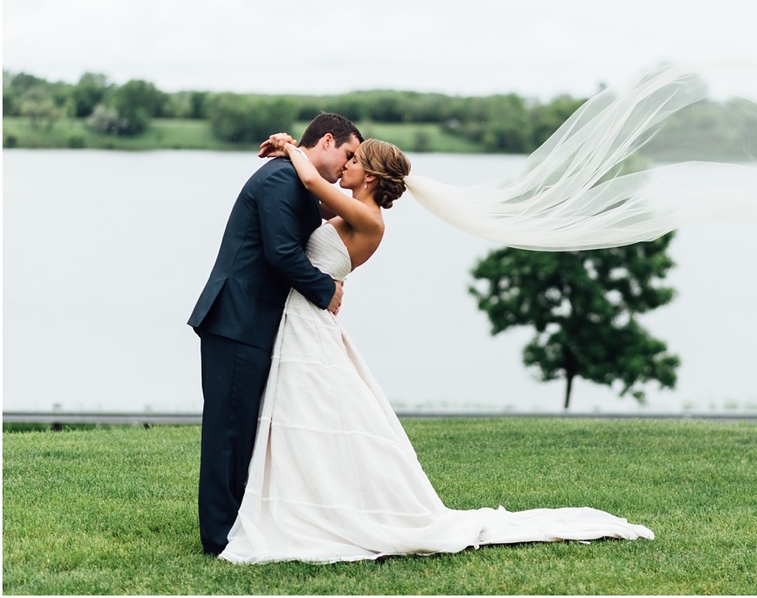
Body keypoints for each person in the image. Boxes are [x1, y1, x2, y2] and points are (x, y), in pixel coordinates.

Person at [218, 134, 654, 564]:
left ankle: (321, 511)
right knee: (301, 417)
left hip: (309, 325)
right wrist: (295, 152)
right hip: (299, 319)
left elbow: (313, 184)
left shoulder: (369, 219)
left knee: (313, 415)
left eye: (353, 160)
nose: (345, 164)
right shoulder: (347, 206)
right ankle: (299, 502)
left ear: (368, 176)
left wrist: (291, 146)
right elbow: (310, 193)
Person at [188, 113, 362, 556]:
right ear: (327, 141)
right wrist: (327, 290)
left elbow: (321, 213)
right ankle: (219, 537)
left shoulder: (294, 177)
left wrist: (290, 146)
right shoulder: (280, 180)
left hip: (252, 321)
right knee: (228, 430)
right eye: (347, 154)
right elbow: (282, 252)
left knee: (243, 428)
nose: (346, 166)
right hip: (237, 320)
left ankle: (237, 523)